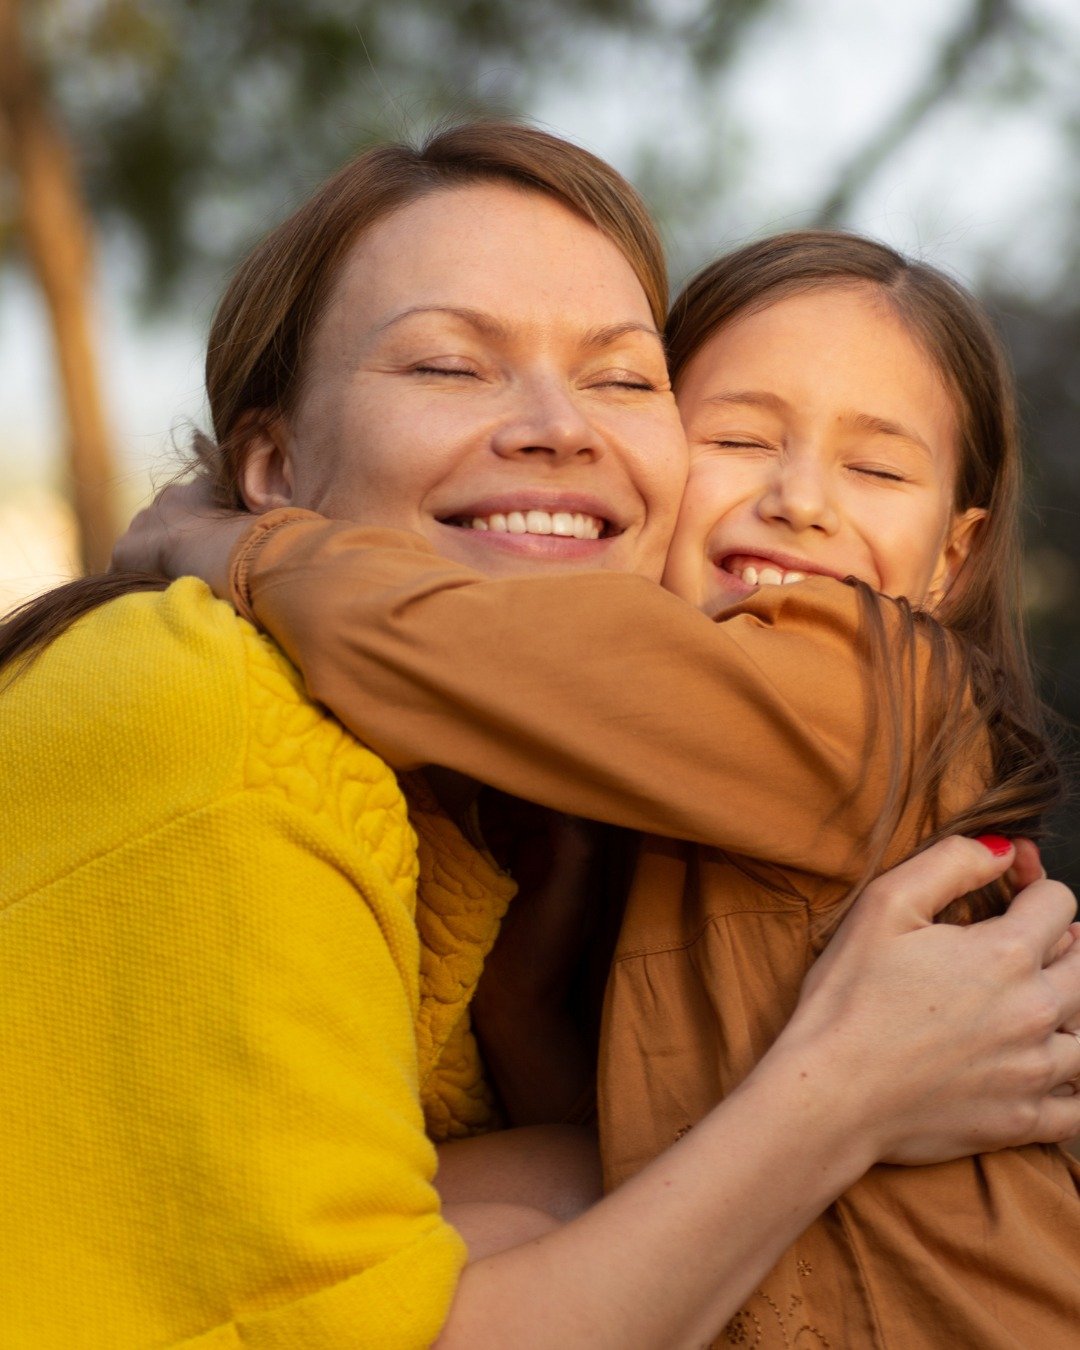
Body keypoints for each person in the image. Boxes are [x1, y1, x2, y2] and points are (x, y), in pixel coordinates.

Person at [4, 124, 1080, 1350]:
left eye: (622, 380)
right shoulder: (243, 735)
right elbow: (660, 1130)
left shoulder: (874, 684)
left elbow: (462, 649)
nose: (799, 500)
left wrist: (235, 546)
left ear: (956, 555)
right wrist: (557, 1017)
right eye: (451, 368)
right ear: (273, 457)